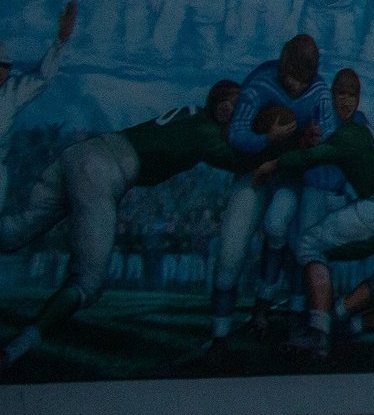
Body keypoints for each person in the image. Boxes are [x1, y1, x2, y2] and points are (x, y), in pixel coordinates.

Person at [2, 79, 252, 372]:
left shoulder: (193, 114)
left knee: (15, 232)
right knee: (88, 283)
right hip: (102, 171)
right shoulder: (206, 130)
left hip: (82, 153)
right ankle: (16, 349)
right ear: (224, 109)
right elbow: (240, 162)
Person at [254, 67, 374, 364]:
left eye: (351, 95)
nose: (345, 101)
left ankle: (319, 335)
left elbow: (313, 157)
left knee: (309, 244)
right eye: (341, 94)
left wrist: (272, 165)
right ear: (332, 95)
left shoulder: (350, 132)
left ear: (358, 99)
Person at [204, 33, 333, 353]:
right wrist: (268, 138)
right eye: (292, 78)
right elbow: (237, 134)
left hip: (287, 172)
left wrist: (315, 137)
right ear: (282, 64)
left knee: (277, 226)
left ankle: (262, 308)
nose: (296, 88)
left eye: (304, 80)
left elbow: (327, 139)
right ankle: (219, 335)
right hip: (254, 170)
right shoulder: (261, 82)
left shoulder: (319, 91)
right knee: (231, 251)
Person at [0, 2, 74, 215]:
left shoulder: (11, 92)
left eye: (5, 66)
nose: (1, 72)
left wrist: (60, 41)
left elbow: (42, 77)